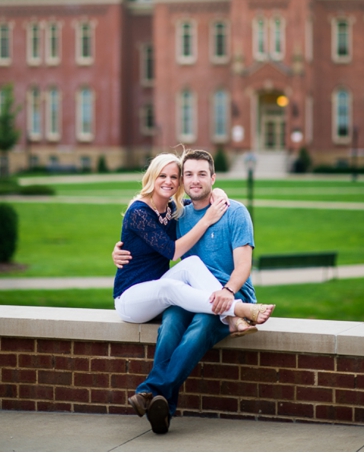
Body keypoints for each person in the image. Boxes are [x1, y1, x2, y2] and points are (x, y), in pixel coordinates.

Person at [113, 149, 268, 435]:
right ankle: (159, 404)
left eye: (202, 174)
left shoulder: (234, 212)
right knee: (170, 325)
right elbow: (150, 235)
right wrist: (119, 251)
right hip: (190, 293)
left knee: (199, 327)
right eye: (189, 175)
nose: (194, 180)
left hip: (229, 290)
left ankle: (152, 393)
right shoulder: (179, 213)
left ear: (213, 177)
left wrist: (228, 291)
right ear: (184, 181)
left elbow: (243, 267)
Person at [113, 152, 273, 331]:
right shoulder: (139, 213)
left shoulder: (172, 208)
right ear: (152, 177)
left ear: (180, 181)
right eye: (162, 176)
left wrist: (218, 192)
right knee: (169, 287)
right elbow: (173, 252)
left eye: (174, 177)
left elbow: (200, 200)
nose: (168, 181)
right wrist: (207, 220)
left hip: (156, 290)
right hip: (131, 299)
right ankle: (237, 309)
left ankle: (231, 318)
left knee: (191, 264)